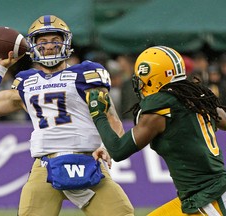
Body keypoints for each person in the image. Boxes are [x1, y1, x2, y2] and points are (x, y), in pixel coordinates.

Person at [0, 15, 134, 216]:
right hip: (45, 167)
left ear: (65, 42)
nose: (49, 46)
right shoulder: (26, 82)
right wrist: (1, 66)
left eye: (55, 40)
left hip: (88, 162)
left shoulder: (85, 74)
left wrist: (107, 147)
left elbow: (112, 119)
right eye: (43, 41)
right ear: (33, 46)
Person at [87, 46, 226, 215]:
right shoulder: (196, 97)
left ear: (153, 79)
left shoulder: (160, 111)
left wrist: (98, 115)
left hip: (208, 199)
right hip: (206, 194)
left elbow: (119, 150)